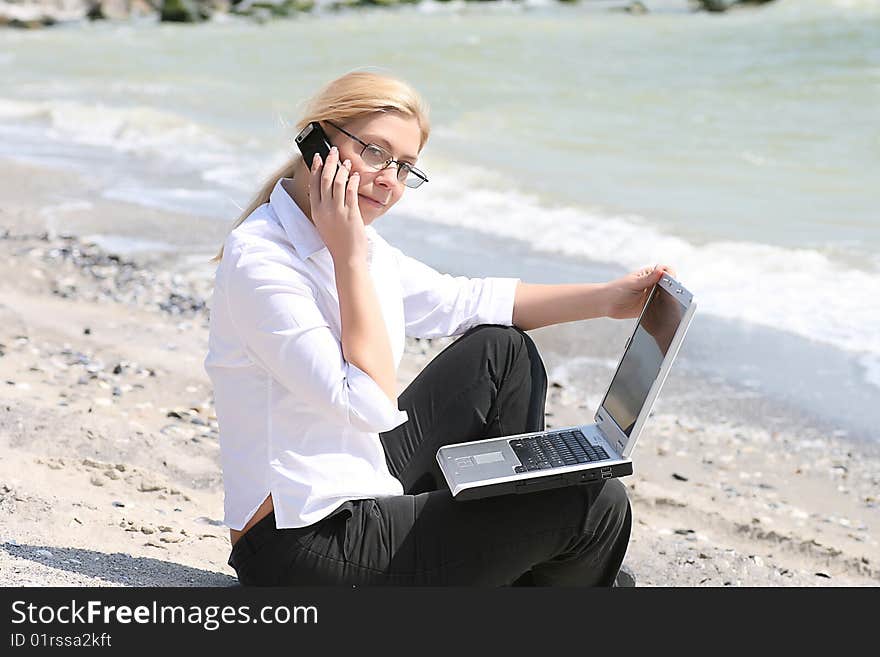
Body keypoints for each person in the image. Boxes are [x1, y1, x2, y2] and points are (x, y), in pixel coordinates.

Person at [205, 70, 675, 586]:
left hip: (355, 478)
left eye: (405, 168)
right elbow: (365, 403)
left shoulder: (353, 245)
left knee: (502, 350)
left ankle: (513, 545)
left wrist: (607, 300)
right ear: (318, 142)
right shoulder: (264, 260)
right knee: (597, 506)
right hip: (299, 541)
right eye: (375, 153)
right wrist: (350, 260)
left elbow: (466, 301)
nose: (389, 179)